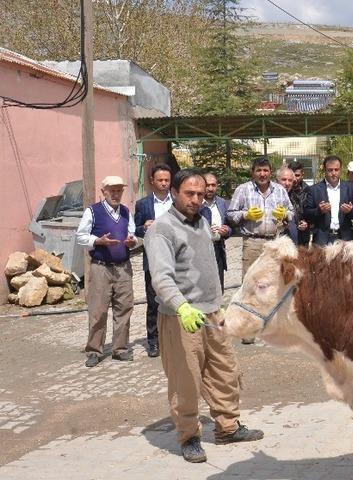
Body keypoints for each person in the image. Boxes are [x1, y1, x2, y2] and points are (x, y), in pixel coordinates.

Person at [146, 169, 264, 464]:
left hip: (213, 313)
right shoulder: (161, 229)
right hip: (180, 317)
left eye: (200, 194)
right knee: (186, 380)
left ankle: (227, 427)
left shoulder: (202, 221)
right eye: (189, 193)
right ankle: (189, 437)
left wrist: (218, 303)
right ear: (174, 192)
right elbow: (160, 278)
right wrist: (182, 307)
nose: (196, 199)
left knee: (225, 371)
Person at [227, 156, 293, 344]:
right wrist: (245, 214)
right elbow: (230, 215)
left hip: (274, 243)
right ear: (253, 172)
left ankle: (275, 328)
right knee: (250, 287)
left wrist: (285, 215)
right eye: (259, 170)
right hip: (253, 242)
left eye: (265, 170)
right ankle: (248, 331)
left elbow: (292, 212)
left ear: (270, 172)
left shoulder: (279, 190)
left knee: (277, 286)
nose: (262, 174)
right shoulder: (243, 190)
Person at [76, 176, 141, 367]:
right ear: (103, 192)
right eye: (112, 190)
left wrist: (133, 242)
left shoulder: (125, 212)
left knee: (124, 309)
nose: (116, 194)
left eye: (119, 190)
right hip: (100, 267)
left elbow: (133, 235)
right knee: (98, 310)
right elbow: (80, 236)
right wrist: (98, 241)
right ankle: (94, 350)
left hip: (123, 267)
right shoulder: (93, 211)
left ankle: (120, 349)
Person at [134, 163, 173, 358]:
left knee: (176, 299)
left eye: (167, 180)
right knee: (154, 302)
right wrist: (144, 227)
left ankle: (173, 339)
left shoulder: (177, 201)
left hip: (176, 259)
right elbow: (135, 228)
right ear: (152, 181)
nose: (164, 183)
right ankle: (153, 341)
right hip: (154, 259)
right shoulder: (143, 204)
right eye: (160, 180)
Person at [303, 155, 353, 245]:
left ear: (341, 170)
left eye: (336, 170)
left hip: (345, 238)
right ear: (324, 171)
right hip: (322, 239)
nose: (333, 173)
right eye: (330, 170)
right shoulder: (314, 190)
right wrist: (319, 210)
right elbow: (307, 214)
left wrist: (350, 211)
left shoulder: (350, 188)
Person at [201, 172, 232, 293]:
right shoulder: (196, 202)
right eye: (207, 185)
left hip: (218, 248)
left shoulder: (221, 202)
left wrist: (226, 231)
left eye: (213, 185)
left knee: (218, 287)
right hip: (201, 250)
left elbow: (230, 226)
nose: (210, 188)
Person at [275, 166, 307, 246]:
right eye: (284, 179)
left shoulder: (297, 198)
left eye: (290, 180)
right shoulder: (271, 196)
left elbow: (301, 217)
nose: (287, 183)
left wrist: (303, 223)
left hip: (293, 242)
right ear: (277, 180)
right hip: (275, 241)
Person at [288, 161, 311, 246]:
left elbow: (312, 212)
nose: (294, 179)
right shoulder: (283, 190)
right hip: (287, 235)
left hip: (303, 236)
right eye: (292, 175)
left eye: (297, 175)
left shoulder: (309, 191)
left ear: (302, 174)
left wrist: (307, 223)